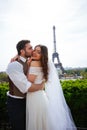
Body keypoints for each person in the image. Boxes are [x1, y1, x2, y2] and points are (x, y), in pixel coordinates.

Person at [26, 44, 77, 130]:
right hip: (40, 96)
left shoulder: (34, 63)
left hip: (35, 98)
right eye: (34, 50)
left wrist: (28, 65)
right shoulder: (44, 65)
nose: (34, 53)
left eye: (38, 52)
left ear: (43, 55)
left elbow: (28, 82)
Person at [6, 40, 44, 130]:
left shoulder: (29, 61)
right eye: (30, 48)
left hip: (29, 102)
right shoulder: (14, 65)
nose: (33, 51)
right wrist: (41, 86)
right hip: (16, 104)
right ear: (22, 51)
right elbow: (25, 87)